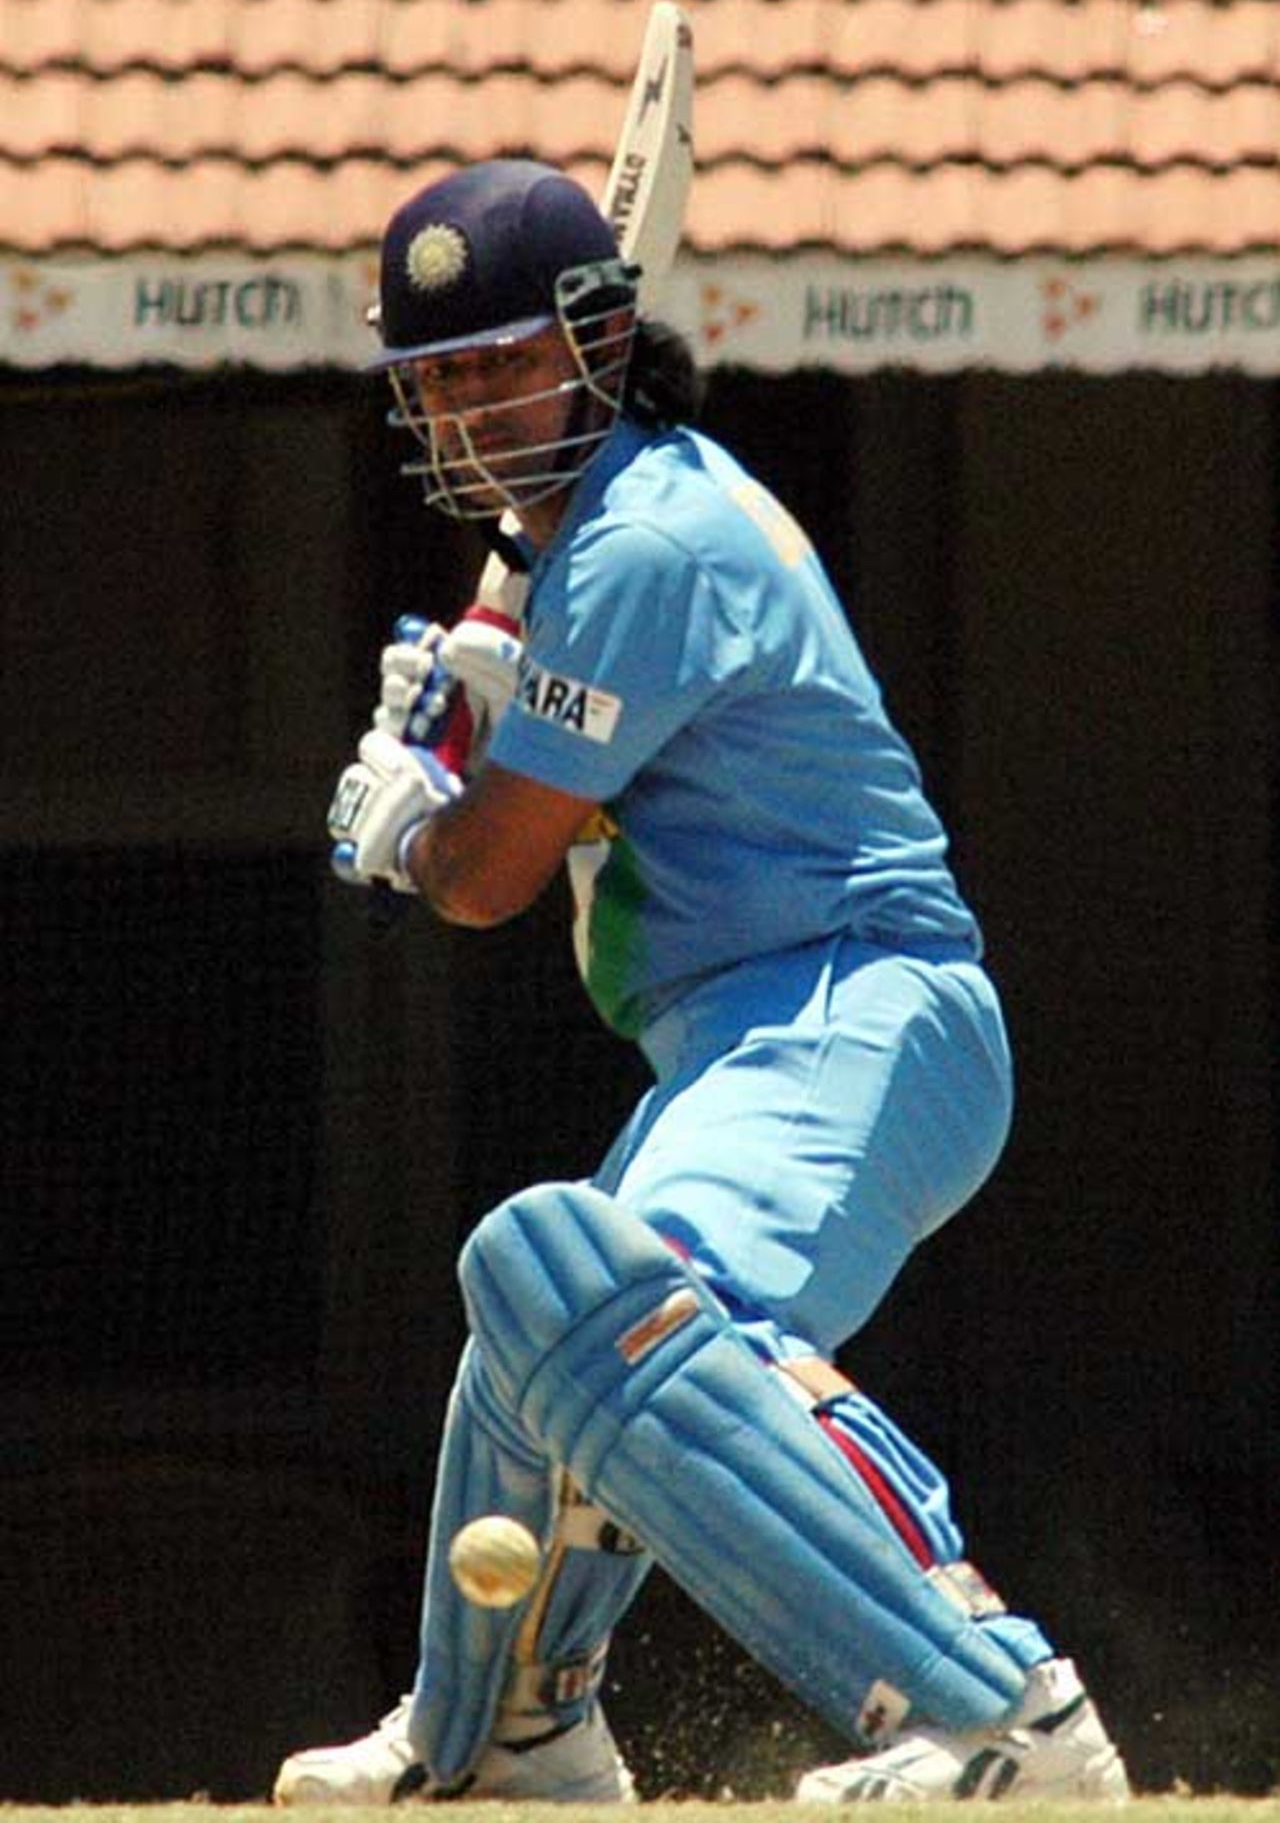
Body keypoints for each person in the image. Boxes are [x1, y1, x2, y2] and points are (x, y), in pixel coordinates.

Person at [275, 158, 1129, 1806]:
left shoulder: (645, 543)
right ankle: (502, 1740)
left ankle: (999, 1714)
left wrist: (410, 819)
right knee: (535, 1319)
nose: (467, 409)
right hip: (747, 1029)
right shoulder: (598, 540)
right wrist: (480, 713)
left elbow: (492, 877)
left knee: (603, 1283)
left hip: (851, 1002)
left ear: (598, 338)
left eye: (502, 364)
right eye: (437, 378)